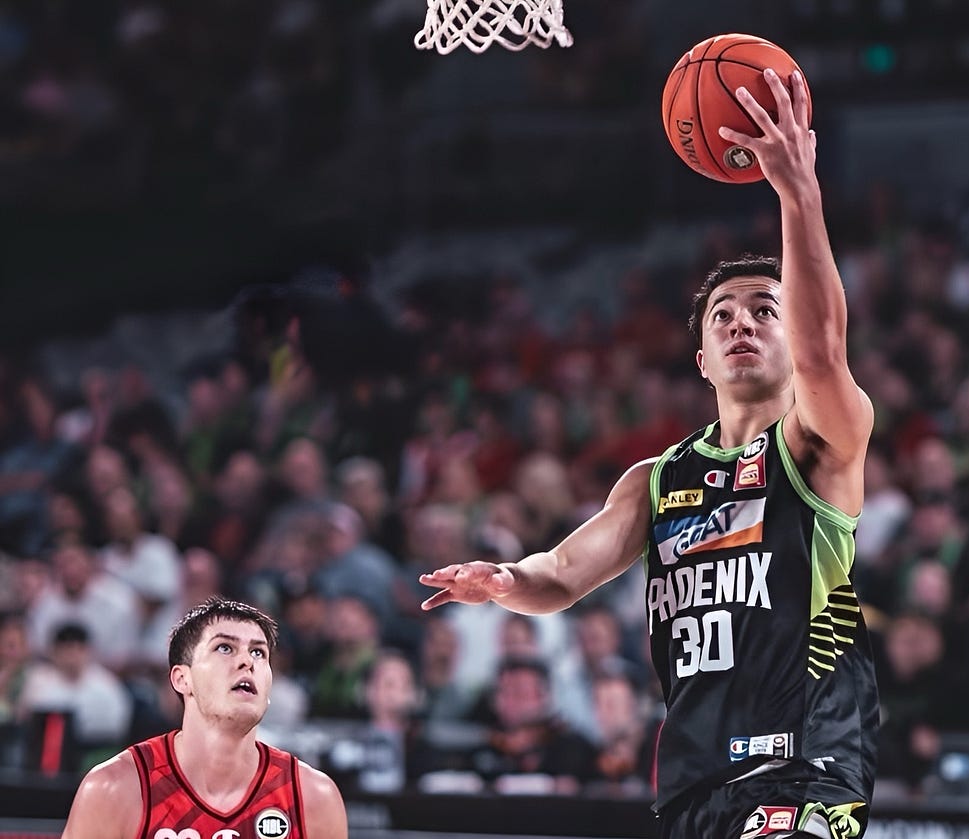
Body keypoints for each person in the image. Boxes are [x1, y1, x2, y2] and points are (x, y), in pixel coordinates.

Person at [421, 67, 878, 839]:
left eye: (765, 309)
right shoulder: (658, 480)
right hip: (694, 775)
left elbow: (826, 354)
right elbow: (561, 575)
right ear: (700, 358)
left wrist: (799, 193)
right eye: (723, 315)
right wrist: (504, 578)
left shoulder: (820, 442)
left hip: (803, 758)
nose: (742, 323)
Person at [60, 597, 348, 839]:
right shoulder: (116, 788)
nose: (248, 661)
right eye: (225, 647)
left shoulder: (312, 797)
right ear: (182, 679)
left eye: (259, 652)